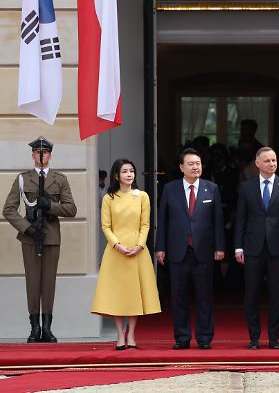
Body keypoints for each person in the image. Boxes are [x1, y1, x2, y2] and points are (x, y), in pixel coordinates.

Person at [2, 136, 77, 343]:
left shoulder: (59, 179)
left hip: (51, 237)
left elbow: (71, 209)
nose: (41, 155)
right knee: (33, 283)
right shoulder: (23, 179)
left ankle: (47, 328)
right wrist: (28, 229)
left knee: (48, 283)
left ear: (50, 155)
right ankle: (35, 328)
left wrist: (50, 206)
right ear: (33, 155)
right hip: (31, 237)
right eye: (37, 152)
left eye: (45, 152)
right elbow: (8, 209)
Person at [156, 148, 225, 350]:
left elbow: (217, 221)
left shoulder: (211, 188)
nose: (196, 167)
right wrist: (160, 247)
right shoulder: (170, 189)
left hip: (203, 251)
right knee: (178, 297)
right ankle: (182, 337)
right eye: (191, 164)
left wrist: (220, 246)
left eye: (198, 163)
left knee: (204, 297)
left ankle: (204, 338)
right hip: (178, 251)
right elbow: (163, 220)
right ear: (181, 167)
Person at [91, 159, 161, 349]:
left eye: (132, 171)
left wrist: (140, 245)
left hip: (138, 250)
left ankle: (131, 334)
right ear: (116, 176)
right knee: (117, 294)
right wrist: (117, 245)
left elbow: (145, 224)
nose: (129, 174)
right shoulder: (109, 198)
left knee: (133, 294)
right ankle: (120, 335)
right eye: (125, 171)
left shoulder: (142, 196)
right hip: (116, 252)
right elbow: (106, 226)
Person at [235, 147, 279, 349]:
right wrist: (238, 247)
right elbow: (241, 219)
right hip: (252, 247)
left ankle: (274, 338)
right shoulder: (247, 187)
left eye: (274, 160)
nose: (272, 164)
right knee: (251, 293)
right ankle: (253, 338)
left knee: (276, 294)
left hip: (278, 249)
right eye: (268, 161)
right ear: (258, 163)